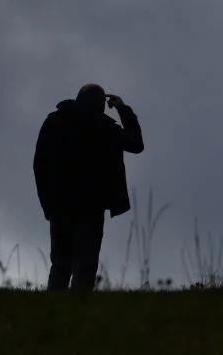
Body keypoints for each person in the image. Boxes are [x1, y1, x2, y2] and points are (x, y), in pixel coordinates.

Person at [33, 82, 144, 291]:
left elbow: (40, 164)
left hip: (61, 204)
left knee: (61, 264)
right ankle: (79, 312)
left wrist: (47, 203)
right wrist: (122, 108)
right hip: (90, 207)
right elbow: (136, 144)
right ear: (102, 104)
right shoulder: (106, 128)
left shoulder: (55, 121)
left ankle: (51, 313)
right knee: (85, 264)